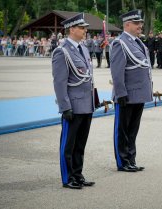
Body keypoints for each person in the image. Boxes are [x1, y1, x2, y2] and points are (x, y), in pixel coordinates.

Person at [52, 13, 95, 189]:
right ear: (72, 29)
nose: (85, 30)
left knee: (80, 143)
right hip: (73, 106)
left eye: (85, 27)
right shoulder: (61, 51)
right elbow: (59, 82)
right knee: (68, 145)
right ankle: (68, 177)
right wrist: (65, 106)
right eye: (82, 27)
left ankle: (78, 174)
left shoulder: (83, 48)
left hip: (86, 104)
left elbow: (87, 78)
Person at [110, 9, 153, 172]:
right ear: (127, 24)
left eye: (140, 23)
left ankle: (131, 159)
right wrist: (120, 93)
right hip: (126, 95)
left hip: (139, 94)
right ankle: (123, 161)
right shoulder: (120, 43)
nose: (140, 26)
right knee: (123, 130)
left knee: (133, 130)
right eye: (136, 23)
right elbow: (117, 71)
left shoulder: (137, 42)